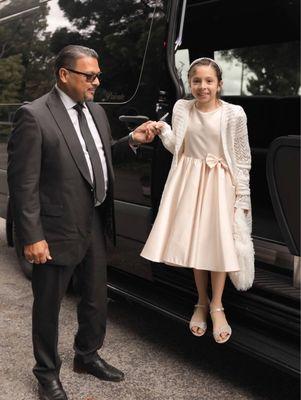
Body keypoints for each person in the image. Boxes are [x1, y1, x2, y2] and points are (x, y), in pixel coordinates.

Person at [7, 45, 154, 400]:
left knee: (95, 298)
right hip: (55, 228)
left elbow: (99, 157)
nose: (97, 82)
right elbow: (23, 183)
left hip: (94, 221)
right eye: (89, 76)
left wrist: (130, 141)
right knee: (49, 305)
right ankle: (46, 374)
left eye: (97, 75)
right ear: (64, 74)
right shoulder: (35, 115)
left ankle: (87, 356)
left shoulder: (97, 112)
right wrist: (32, 236)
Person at [141, 57, 252, 344]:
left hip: (221, 183)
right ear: (189, 84)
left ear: (219, 84)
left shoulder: (234, 114)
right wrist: (164, 131)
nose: (203, 86)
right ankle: (201, 302)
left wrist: (243, 196)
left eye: (209, 81)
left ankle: (217, 305)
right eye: (196, 81)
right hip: (189, 181)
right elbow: (178, 147)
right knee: (197, 244)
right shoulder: (181, 108)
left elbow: (242, 159)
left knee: (218, 242)